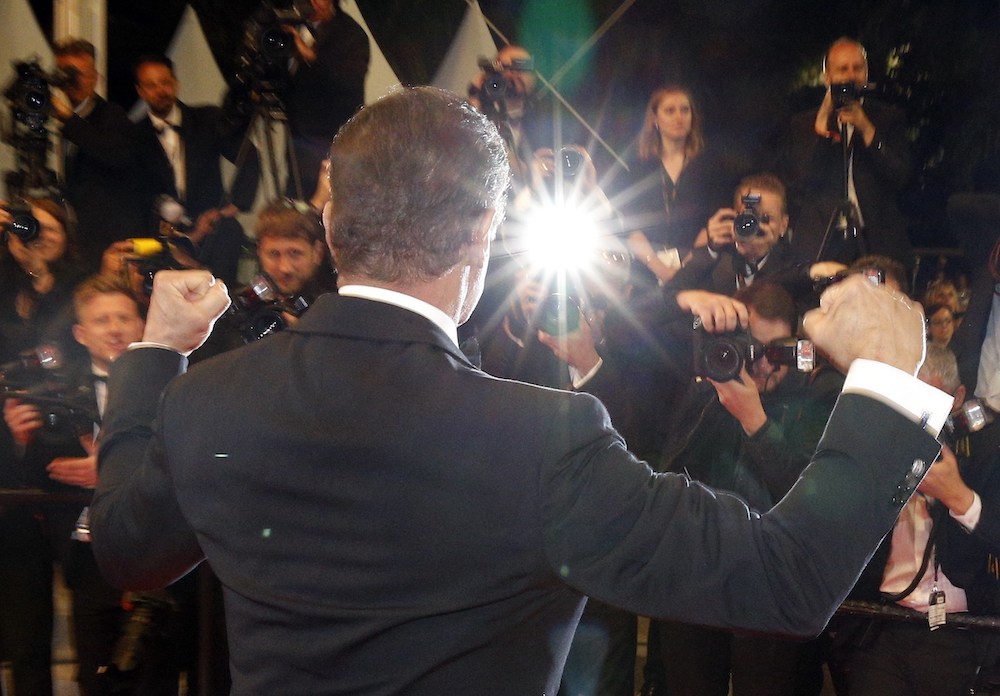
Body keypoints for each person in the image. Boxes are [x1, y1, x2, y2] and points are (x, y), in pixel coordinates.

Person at [90, 86, 950, 695]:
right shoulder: (546, 441)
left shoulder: (209, 400)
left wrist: (154, 352)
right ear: (482, 237)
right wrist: (881, 379)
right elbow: (787, 579)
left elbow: (129, 551)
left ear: (328, 223)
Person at [645, 282, 841, 696]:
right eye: (753, 347)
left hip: (768, 586)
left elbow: (809, 496)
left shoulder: (816, 398)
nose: (764, 364)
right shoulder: (704, 388)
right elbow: (627, 331)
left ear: (797, 346)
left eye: (777, 350)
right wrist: (685, 300)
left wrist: (755, 420)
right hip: (694, 575)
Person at [0, 276, 185, 696]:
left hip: (158, 547)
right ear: (81, 334)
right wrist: (18, 440)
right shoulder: (53, 393)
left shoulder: (176, 382)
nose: (115, 328)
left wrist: (111, 470)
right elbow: (35, 474)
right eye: (102, 320)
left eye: (124, 317)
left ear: (142, 325)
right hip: (85, 555)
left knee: (158, 673)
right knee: (94, 672)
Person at [826, 344, 1000, 695]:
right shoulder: (878, 444)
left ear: (958, 397)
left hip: (959, 632)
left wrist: (958, 497)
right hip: (881, 625)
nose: (921, 416)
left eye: (932, 400)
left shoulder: (986, 452)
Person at [771, 37, 913, 266]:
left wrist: (866, 128)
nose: (850, 76)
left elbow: (900, 175)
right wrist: (822, 123)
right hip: (822, 240)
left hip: (874, 238)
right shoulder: (802, 124)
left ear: (866, 73)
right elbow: (801, 179)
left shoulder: (888, 118)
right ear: (828, 77)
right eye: (842, 69)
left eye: (857, 68)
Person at [133, 54, 260, 288]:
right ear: (140, 91)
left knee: (230, 231)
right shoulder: (135, 135)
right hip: (163, 231)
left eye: (165, 82)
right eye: (151, 85)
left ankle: (224, 308)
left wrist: (230, 209)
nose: (160, 90)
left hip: (212, 224)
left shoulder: (207, 118)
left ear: (176, 83)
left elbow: (248, 155)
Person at [616, 85, 727, 286]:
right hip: (645, 270)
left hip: (697, 268)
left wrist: (687, 265)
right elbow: (629, 226)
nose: (679, 117)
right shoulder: (638, 167)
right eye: (670, 111)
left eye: (685, 110)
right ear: (655, 119)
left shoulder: (709, 165)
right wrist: (660, 268)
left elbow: (713, 221)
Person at [52, 38, 145, 265]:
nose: (71, 81)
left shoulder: (111, 114)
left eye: (78, 74)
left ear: (95, 78)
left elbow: (115, 155)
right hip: (80, 238)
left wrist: (68, 118)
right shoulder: (61, 120)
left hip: (110, 238)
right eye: (65, 73)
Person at [283, 0, 369, 200]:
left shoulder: (350, 34)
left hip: (331, 140)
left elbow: (349, 81)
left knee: (329, 208)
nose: (314, 2)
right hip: (297, 142)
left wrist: (311, 56)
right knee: (295, 206)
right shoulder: (292, 26)